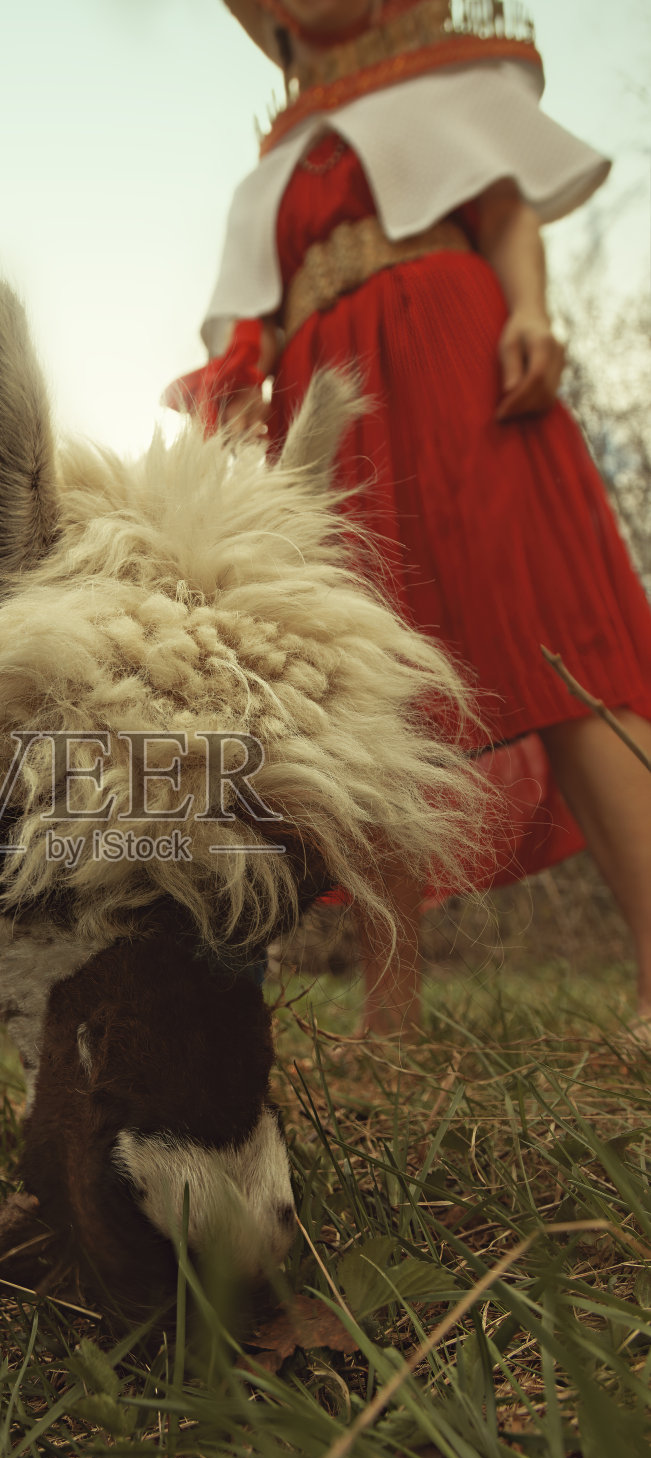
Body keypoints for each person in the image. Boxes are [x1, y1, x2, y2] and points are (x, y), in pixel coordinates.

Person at [167, 0, 651, 1035]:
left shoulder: (449, 71)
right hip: (326, 398)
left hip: (452, 346)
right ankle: (389, 1021)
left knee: (555, 627)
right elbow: (259, 303)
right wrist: (240, 379)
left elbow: (506, 210)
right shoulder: (282, 151)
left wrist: (529, 311)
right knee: (362, 684)